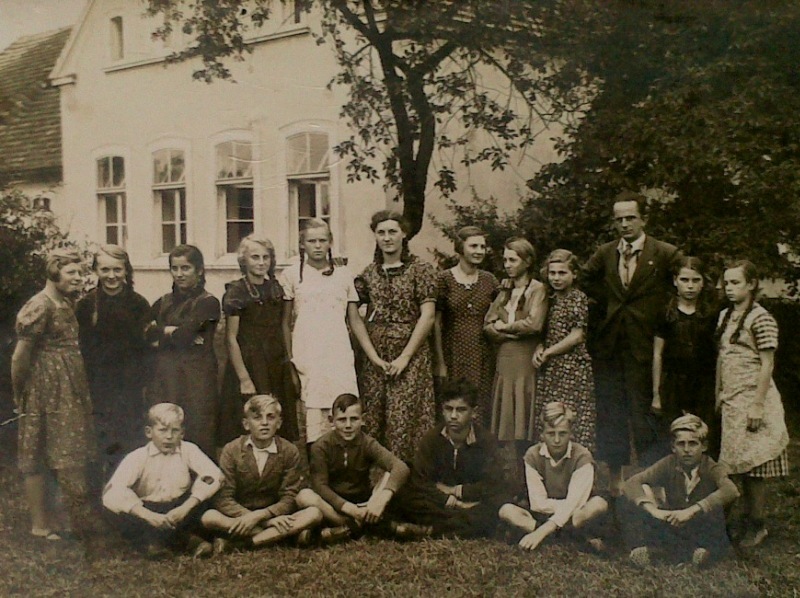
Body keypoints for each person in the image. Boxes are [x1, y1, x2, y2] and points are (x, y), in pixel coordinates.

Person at [582, 191, 681, 492]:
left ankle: (655, 485)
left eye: (630, 218)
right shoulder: (606, 252)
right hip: (611, 347)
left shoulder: (664, 253)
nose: (624, 224)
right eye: (619, 219)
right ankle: (616, 485)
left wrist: (665, 313)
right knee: (611, 415)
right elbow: (585, 279)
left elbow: (687, 285)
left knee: (646, 417)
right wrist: (609, 305)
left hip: (647, 347)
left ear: (643, 219)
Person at [11, 249, 99, 544]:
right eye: (72, 272)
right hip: (44, 389)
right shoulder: (39, 305)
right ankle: (39, 524)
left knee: (63, 451)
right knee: (37, 452)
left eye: (80, 272)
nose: (78, 278)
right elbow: (20, 357)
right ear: (54, 272)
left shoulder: (66, 302)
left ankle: (60, 519)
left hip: (69, 386)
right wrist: (20, 394)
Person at [280, 219, 386, 449]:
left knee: (343, 409)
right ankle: (318, 473)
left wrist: (374, 357)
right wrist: (290, 361)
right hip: (308, 353)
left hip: (338, 353)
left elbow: (355, 320)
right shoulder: (291, 275)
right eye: (311, 241)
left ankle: (346, 473)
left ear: (330, 242)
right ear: (302, 244)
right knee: (314, 416)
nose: (317, 246)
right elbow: (285, 323)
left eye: (322, 240)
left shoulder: (344, 274)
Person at [715, 260, 790, 548]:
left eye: (735, 283)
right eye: (726, 283)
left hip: (754, 398)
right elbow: (724, 357)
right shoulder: (725, 316)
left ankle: (756, 524)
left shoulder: (762, 318)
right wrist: (719, 392)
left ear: (751, 284)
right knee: (734, 463)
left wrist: (757, 405)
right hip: (732, 399)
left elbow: (767, 363)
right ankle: (736, 521)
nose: (729, 289)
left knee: (755, 466)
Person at [355, 210, 438, 462]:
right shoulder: (368, 274)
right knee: (374, 416)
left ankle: (408, 481)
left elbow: (428, 316)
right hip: (376, 357)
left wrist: (405, 357)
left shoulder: (421, 269)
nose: (387, 238)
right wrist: (373, 356)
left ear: (404, 234)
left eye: (392, 231)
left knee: (406, 417)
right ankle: (376, 482)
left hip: (410, 353)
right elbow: (353, 314)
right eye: (381, 232)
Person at [201, 395, 322, 551]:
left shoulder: (289, 451)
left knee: (314, 513)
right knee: (209, 517)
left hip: (274, 514)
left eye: (270, 417)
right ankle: (283, 537)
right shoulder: (231, 450)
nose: (264, 423)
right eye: (257, 418)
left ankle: (243, 544)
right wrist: (255, 519)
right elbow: (224, 497)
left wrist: (263, 516)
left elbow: (289, 496)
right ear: (246, 424)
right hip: (241, 515)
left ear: (279, 423)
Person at [102, 403, 221, 559]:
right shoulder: (137, 457)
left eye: (175, 431)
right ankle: (187, 542)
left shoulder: (188, 449)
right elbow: (113, 490)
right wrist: (148, 515)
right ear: (149, 432)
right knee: (120, 512)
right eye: (163, 430)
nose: (169, 437)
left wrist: (186, 506)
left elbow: (213, 475)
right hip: (148, 509)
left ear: (182, 433)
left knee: (206, 502)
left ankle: (164, 542)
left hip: (179, 507)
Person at [393, 378, 508, 539]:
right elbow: (421, 480)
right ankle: (454, 525)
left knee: (493, 510)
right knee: (404, 497)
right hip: (438, 502)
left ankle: (429, 531)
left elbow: (493, 483)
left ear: (473, 412)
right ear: (442, 410)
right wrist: (447, 499)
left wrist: (458, 492)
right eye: (449, 409)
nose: (453, 416)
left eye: (461, 410)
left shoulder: (485, 441)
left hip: (470, 502)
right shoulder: (432, 438)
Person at [618, 414, 737, 568]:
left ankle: (700, 553)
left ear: (704, 446)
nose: (687, 450)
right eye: (681, 444)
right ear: (673, 447)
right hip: (677, 523)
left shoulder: (712, 467)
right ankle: (671, 552)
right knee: (637, 503)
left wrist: (692, 511)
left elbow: (731, 490)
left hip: (703, 523)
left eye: (693, 444)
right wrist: (654, 510)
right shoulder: (669, 463)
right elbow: (631, 483)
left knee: (714, 522)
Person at [75, 244, 152, 478]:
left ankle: (129, 488)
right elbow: (82, 348)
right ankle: (103, 494)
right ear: (96, 271)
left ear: (126, 271)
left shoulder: (139, 304)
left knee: (130, 438)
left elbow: (147, 349)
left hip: (131, 385)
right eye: (105, 270)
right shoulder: (86, 305)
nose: (111, 276)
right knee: (102, 439)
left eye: (117, 270)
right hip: (99, 384)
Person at [499, 402, 609, 552]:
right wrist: (559, 511)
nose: (557, 440)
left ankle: (544, 536)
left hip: (575, 514)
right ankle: (572, 537)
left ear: (571, 434)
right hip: (542, 514)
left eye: (562, 433)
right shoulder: (533, 455)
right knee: (506, 510)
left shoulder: (582, 456)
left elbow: (575, 502)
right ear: (542, 435)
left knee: (598, 504)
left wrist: (541, 532)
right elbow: (538, 503)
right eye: (551, 434)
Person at [219, 235, 297, 445]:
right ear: (244, 260)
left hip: (275, 360)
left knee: (276, 415)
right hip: (249, 362)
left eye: (266, 257)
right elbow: (231, 339)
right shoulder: (237, 291)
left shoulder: (275, 288)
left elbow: (283, 326)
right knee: (251, 417)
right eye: (255, 257)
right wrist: (244, 378)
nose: (261, 262)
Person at [306, 393, 411, 544]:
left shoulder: (367, 442)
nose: (348, 425)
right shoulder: (321, 446)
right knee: (305, 496)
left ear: (363, 419)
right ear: (331, 421)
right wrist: (348, 509)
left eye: (354, 419)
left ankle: (348, 529)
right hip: (334, 504)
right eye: (342, 420)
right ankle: (358, 526)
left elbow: (400, 467)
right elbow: (320, 485)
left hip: (363, 502)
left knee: (391, 475)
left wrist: (381, 500)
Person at [484, 237, 547, 487]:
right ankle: (510, 480)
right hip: (505, 359)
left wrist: (505, 327)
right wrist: (505, 332)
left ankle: (530, 479)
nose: (507, 265)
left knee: (526, 420)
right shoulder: (504, 291)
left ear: (527, 261)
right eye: (505, 260)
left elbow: (534, 323)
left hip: (524, 360)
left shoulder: (537, 289)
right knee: (506, 421)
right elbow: (488, 324)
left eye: (513, 260)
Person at [150, 244, 221, 456]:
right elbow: (145, 334)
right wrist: (174, 333)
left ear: (199, 270)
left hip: (197, 377)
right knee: (167, 428)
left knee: (198, 430)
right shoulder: (163, 301)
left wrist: (163, 333)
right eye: (175, 268)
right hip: (167, 376)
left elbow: (184, 336)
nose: (179, 274)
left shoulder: (208, 303)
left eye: (186, 268)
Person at [651, 256, 718, 456]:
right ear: (675, 281)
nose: (690, 286)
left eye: (695, 280)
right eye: (684, 280)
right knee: (672, 436)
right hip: (672, 384)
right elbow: (658, 354)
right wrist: (656, 394)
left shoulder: (711, 314)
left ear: (703, 282)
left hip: (703, 384)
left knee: (704, 435)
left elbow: (719, 354)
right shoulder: (665, 313)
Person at [433, 226, 499, 422]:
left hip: (483, 353)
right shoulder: (443, 279)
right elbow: (435, 323)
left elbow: (502, 312)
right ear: (460, 248)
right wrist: (440, 362)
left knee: (480, 405)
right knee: (454, 403)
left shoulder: (490, 280)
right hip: (453, 352)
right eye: (473, 246)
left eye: (482, 246)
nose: (479, 251)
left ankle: (477, 449)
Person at [532, 250, 596, 451]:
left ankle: (577, 467)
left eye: (562, 273)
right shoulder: (550, 299)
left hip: (572, 368)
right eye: (553, 273)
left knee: (572, 417)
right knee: (551, 417)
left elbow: (577, 335)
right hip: (552, 369)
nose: (556, 278)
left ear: (574, 274)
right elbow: (545, 331)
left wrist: (549, 352)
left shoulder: (577, 298)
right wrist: (540, 348)